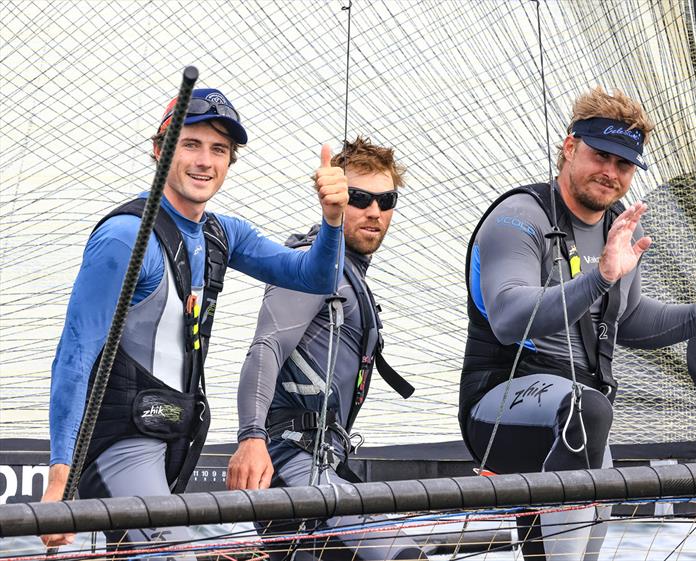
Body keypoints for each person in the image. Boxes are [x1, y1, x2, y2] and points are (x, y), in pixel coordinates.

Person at [40, 88, 348, 554]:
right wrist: (60, 476)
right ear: (160, 150)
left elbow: (316, 276)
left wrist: (332, 220)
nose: (205, 161)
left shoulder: (221, 233)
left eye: (218, 150)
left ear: (229, 162)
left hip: (169, 445)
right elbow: (75, 353)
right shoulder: (127, 237)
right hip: (116, 448)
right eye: (191, 144)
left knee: (248, 549)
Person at [459, 86, 696, 560]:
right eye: (601, 155)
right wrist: (599, 278)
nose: (611, 173)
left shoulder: (621, 226)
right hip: (498, 408)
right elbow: (509, 319)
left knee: (587, 540)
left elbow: (631, 320)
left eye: (624, 165)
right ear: (569, 147)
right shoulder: (519, 218)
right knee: (589, 411)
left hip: (579, 415)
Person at [227, 136, 424, 561]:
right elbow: (266, 347)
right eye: (360, 198)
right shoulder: (313, 264)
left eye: (386, 200)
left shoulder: (351, 274)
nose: (374, 211)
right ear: (335, 197)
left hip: (325, 461)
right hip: (290, 458)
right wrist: (251, 438)